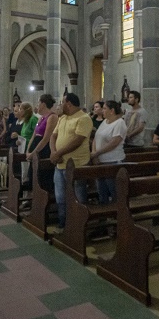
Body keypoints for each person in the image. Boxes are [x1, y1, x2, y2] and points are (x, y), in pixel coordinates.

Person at [49, 93, 93, 230]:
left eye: (62, 102)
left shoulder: (83, 118)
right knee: (60, 198)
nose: (60, 105)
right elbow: (53, 136)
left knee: (78, 198)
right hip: (60, 164)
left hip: (77, 164)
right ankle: (63, 224)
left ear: (68, 104)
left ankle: (79, 226)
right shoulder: (62, 118)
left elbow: (78, 140)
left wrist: (58, 153)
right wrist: (53, 153)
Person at [90, 100, 127, 204]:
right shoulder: (104, 122)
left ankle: (118, 211)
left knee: (114, 191)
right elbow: (96, 138)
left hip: (113, 162)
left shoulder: (120, 123)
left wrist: (97, 153)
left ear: (112, 110)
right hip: (100, 161)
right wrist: (94, 154)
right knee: (102, 192)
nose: (102, 110)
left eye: (105, 108)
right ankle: (104, 211)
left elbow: (114, 143)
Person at [26, 94, 59, 191]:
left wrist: (33, 153)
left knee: (43, 177)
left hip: (44, 150)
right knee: (33, 176)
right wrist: (28, 150)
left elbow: (46, 138)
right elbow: (34, 135)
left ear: (43, 104)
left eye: (38, 103)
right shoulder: (41, 118)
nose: (37, 105)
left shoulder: (52, 117)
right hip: (35, 148)